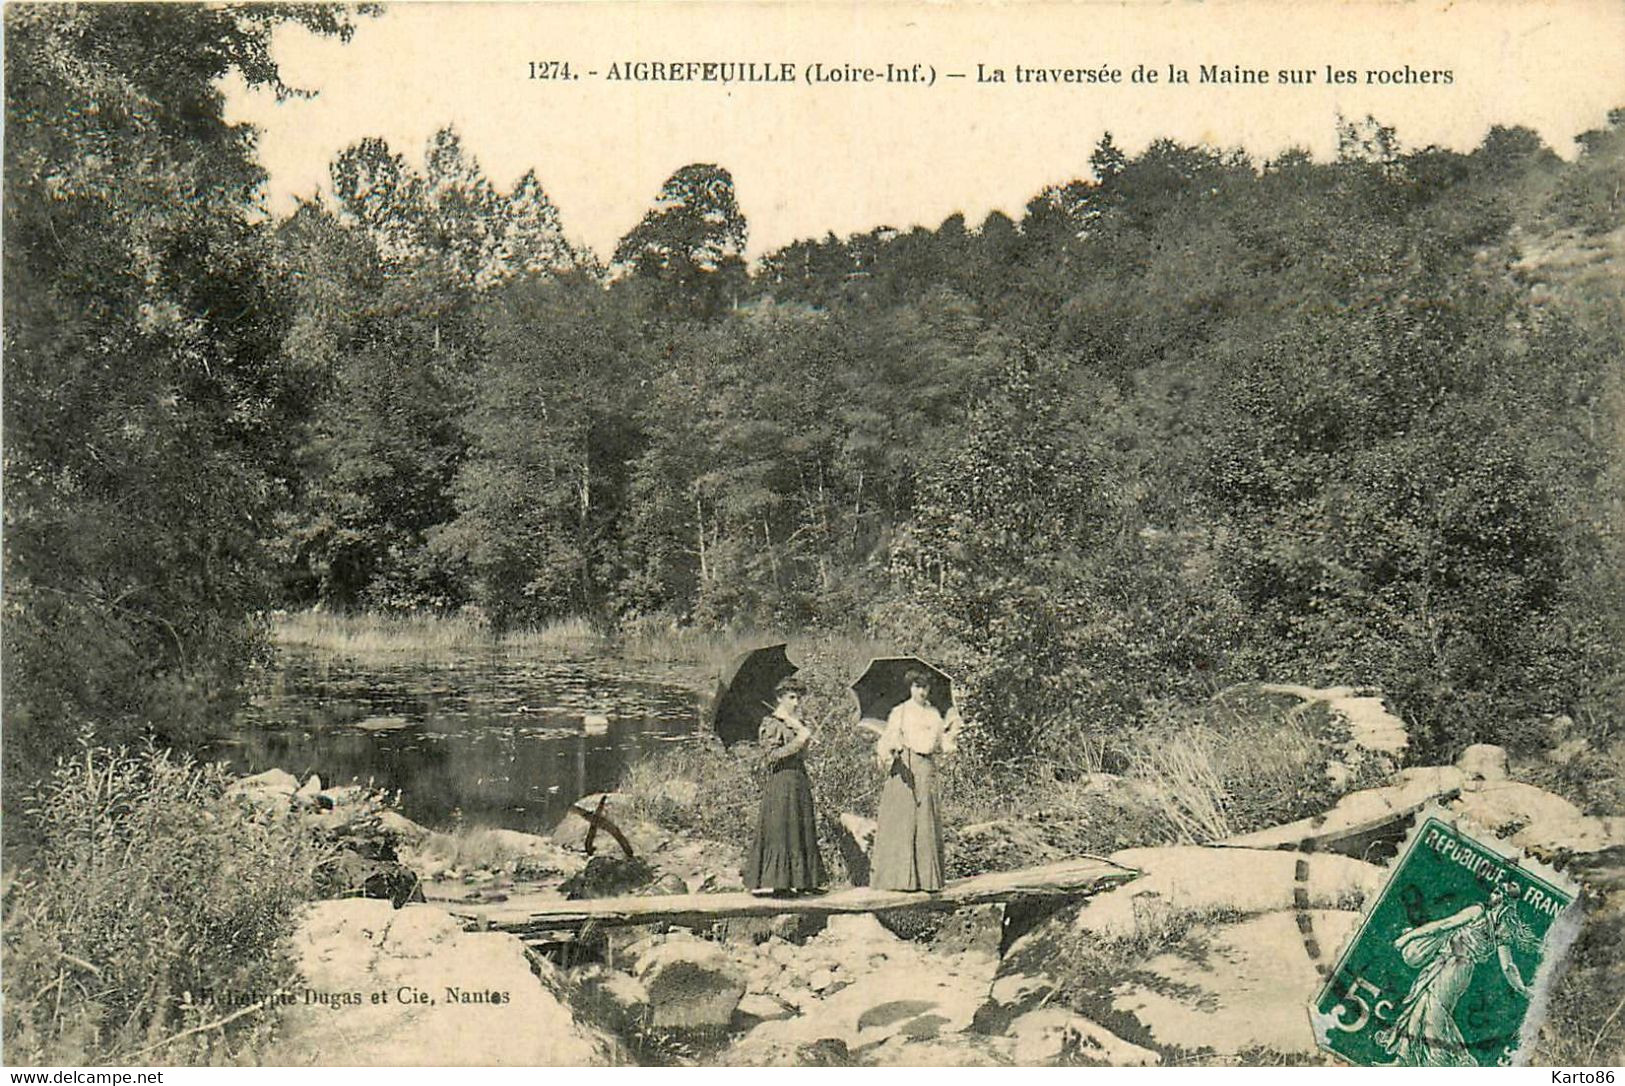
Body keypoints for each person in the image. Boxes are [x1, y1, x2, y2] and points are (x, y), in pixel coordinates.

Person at [1372, 881, 1539, 1066]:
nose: (1493, 894)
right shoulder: (1496, 923)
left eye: (1498, 892)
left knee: (1434, 1014)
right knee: (1420, 1008)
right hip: (1447, 964)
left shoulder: (1481, 914)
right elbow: (1507, 965)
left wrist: (1409, 936)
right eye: (1495, 890)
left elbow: (1444, 925)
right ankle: (1403, 1060)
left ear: (1505, 900)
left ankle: (1446, 1063)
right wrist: (1522, 988)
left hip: (1456, 969)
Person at [869, 669, 962, 892]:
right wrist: (892, 747)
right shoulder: (900, 712)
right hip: (904, 770)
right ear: (910, 688)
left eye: (925, 687)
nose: (921, 691)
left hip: (926, 768)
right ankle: (897, 880)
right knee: (902, 820)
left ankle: (926, 881)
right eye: (917, 686)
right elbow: (885, 742)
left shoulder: (934, 715)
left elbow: (942, 746)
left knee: (925, 819)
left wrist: (952, 736)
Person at [743, 677, 827, 895]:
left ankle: (804, 882)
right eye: (791, 697)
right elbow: (770, 756)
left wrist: (804, 742)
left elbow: (800, 754)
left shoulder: (795, 723)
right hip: (781, 782)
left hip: (799, 779)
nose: (797, 702)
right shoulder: (771, 723)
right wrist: (799, 741)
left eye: (799, 697)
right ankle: (780, 884)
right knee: (782, 830)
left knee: (802, 828)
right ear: (780, 698)